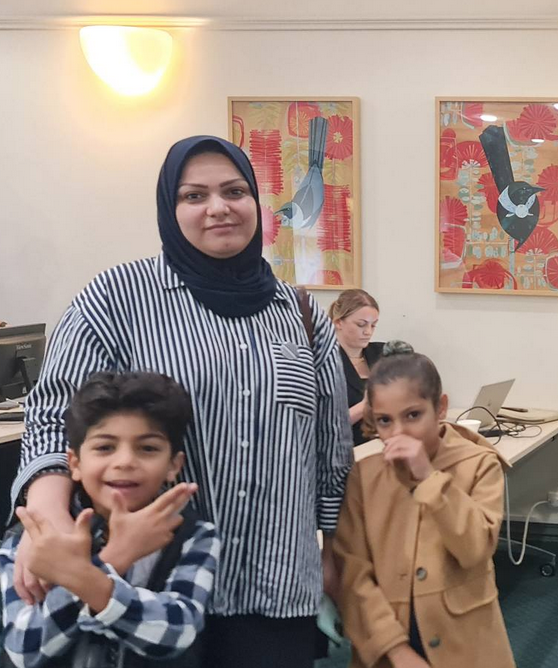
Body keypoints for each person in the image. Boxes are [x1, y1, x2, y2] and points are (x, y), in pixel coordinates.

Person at [9, 135, 353, 668]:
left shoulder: (301, 314)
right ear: (170, 210)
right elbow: (54, 419)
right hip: (147, 584)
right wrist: (48, 521)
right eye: (194, 196)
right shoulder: (117, 299)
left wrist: (336, 553)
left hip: (276, 583)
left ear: (256, 202)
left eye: (235, 191)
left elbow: (331, 451)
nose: (218, 208)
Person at [1, 371, 220, 668]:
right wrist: (117, 557)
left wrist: (85, 577)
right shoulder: (33, 536)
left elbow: (175, 632)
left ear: (173, 464)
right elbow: (24, 648)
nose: (125, 461)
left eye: (148, 448)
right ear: (75, 463)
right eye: (105, 447)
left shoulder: (193, 535)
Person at [333, 341, 516, 668]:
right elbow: (353, 575)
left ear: (441, 408)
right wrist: (396, 650)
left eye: (413, 415)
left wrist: (429, 478)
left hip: (466, 645)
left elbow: (475, 549)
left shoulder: (479, 464)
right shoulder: (364, 477)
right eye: (384, 421)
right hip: (390, 645)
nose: (398, 432)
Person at [330, 289, 384, 446]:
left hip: (381, 447)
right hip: (344, 449)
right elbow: (322, 427)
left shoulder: (382, 354)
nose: (368, 332)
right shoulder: (323, 362)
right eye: (361, 324)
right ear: (338, 322)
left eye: (373, 325)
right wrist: (364, 406)